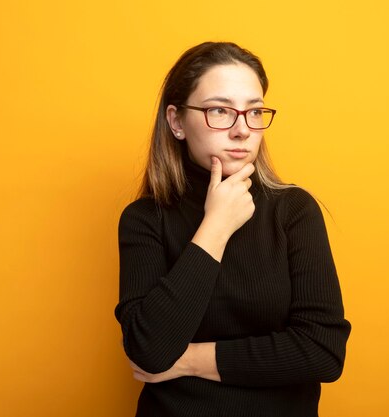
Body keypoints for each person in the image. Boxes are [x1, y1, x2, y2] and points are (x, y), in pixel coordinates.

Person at [115, 41, 351, 417]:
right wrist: (216, 226)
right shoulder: (144, 219)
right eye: (220, 110)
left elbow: (322, 352)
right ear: (176, 122)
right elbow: (151, 350)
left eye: (254, 112)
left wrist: (190, 360)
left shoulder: (294, 211)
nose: (242, 130)